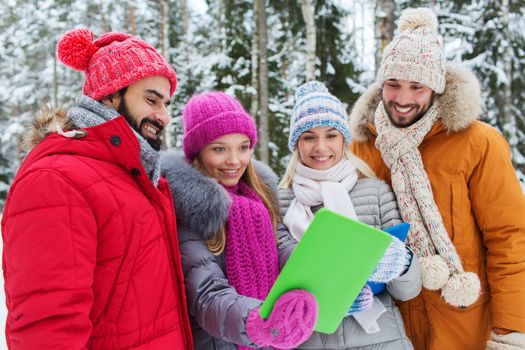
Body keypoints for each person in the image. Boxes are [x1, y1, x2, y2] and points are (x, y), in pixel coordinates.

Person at [1, 28, 193, 349]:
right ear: (109, 95)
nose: (164, 116)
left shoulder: (138, 177)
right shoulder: (56, 179)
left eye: (167, 103)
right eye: (151, 99)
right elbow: (47, 329)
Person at [349, 7, 525, 350]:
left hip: (464, 326)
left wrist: (510, 333)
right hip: (388, 331)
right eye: (393, 84)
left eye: (417, 86)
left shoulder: (477, 142)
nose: (402, 99)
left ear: (436, 86)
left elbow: (510, 239)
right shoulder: (361, 147)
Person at [160, 91, 318, 350]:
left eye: (243, 147)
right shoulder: (188, 213)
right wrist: (258, 323)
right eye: (220, 149)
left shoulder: (260, 199)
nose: (235, 161)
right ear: (196, 153)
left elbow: (285, 249)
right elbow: (206, 294)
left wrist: (327, 289)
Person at [278, 80, 422, 349]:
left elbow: (408, 290)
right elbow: (276, 284)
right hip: (308, 340)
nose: (321, 147)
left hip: (380, 339)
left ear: (344, 139)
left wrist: (402, 262)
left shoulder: (377, 192)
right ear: (296, 144)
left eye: (331, 135)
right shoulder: (279, 203)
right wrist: (326, 297)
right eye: (309, 137)